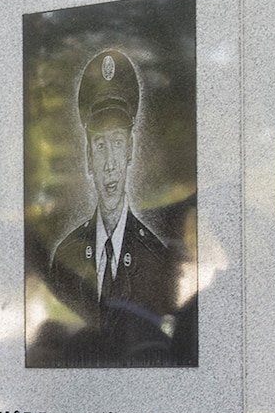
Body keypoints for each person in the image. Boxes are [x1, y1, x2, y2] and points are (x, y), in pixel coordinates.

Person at [40, 48, 188, 366]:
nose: (110, 165)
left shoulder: (153, 247)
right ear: (88, 157)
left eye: (118, 145)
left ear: (132, 151)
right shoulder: (67, 249)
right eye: (100, 146)